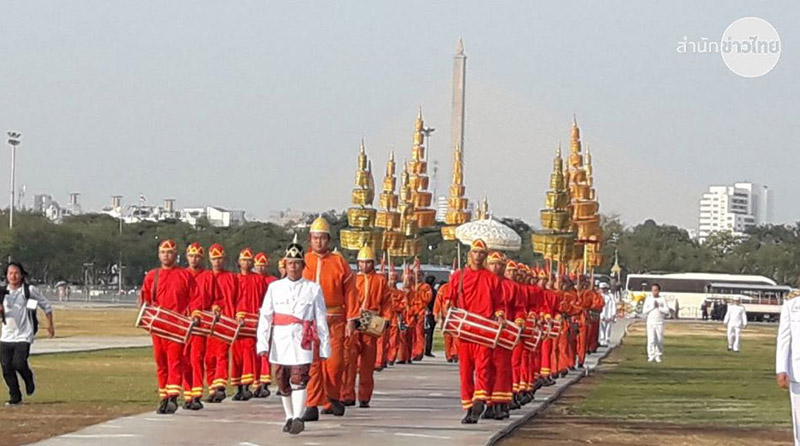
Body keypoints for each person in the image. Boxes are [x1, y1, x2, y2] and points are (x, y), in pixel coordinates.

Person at [256, 238, 330, 435]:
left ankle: (298, 417)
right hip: (280, 341)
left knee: (300, 378)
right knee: (282, 380)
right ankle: (289, 416)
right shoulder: (274, 288)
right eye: (290, 263)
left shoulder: (313, 289)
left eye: (297, 263)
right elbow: (266, 316)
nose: (294, 267)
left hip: (302, 340)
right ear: (285, 265)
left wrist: (324, 347)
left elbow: (321, 319)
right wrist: (262, 343)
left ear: (303, 266)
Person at [302, 216, 358, 421]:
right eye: (316, 238)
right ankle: (311, 405)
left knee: (334, 364)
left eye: (323, 238)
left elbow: (351, 292)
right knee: (313, 364)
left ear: (328, 239)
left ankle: (333, 396)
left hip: (334, 319)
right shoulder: (303, 261)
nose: (319, 242)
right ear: (310, 239)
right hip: (309, 321)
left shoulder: (339, 262)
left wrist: (352, 319)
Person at [441, 239, 502, 424]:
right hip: (465, 330)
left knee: (483, 366)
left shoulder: (492, 278)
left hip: (483, 330)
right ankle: (468, 408)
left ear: (485, 256)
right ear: (470, 254)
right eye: (475, 252)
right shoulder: (459, 276)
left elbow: (499, 303)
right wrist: (447, 309)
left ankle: (480, 399)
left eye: (481, 253)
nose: (478, 256)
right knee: (465, 370)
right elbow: (448, 298)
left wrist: (499, 315)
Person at [140, 240, 201, 414]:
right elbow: (145, 298)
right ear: (159, 255)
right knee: (160, 362)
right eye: (163, 252)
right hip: (158, 326)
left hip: (177, 326)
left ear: (175, 255)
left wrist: (195, 315)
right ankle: (163, 396)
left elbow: (195, 297)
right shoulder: (152, 275)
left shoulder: (185, 275)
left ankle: (173, 396)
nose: (166, 255)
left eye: (169, 252)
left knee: (175, 360)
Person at [341, 245, 391, 408]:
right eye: (362, 263)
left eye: (368, 262)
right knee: (350, 361)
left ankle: (364, 396)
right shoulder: (353, 279)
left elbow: (387, 302)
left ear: (373, 263)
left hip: (372, 320)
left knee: (367, 363)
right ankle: (347, 394)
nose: (365, 266)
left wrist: (387, 318)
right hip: (355, 319)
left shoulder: (381, 280)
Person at [1, 262, 55, 406]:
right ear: (6, 276)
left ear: (22, 275)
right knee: (6, 367)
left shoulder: (29, 290)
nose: (13, 276)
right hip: (6, 335)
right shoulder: (2, 292)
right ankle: (15, 396)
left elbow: (46, 306)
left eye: (16, 273)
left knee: (18, 363)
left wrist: (50, 325)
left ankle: (28, 378)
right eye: (10, 273)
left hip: (24, 334)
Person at [205, 243, 239, 403]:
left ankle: (220, 385)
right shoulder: (206, 277)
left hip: (226, 322)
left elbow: (239, 298)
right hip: (208, 323)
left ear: (224, 259)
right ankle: (212, 388)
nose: (217, 262)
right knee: (208, 357)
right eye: (214, 259)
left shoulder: (232, 278)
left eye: (219, 259)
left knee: (221, 354)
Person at [183, 243, 214, 410]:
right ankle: (187, 394)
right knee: (183, 360)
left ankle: (196, 395)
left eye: (197, 256)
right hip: (182, 323)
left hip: (200, 324)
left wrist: (215, 310)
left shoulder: (208, 276)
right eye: (191, 256)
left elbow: (216, 298)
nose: (193, 259)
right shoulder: (181, 275)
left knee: (196, 359)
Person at [232, 248, 266, 401]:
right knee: (237, 355)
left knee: (249, 353)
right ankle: (239, 386)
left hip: (252, 322)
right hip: (237, 323)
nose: (246, 263)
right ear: (239, 262)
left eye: (248, 260)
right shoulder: (235, 279)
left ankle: (247, 385)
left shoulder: (258, 280)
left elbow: (265, 300)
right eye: (243, 260)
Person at [254, 252, 278, 398]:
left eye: (263, 265)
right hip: (253, 319)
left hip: (269, 319)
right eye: (258, 265)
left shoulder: (272, 281)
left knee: (267, 351)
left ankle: (265, 381)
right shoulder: (251, 280)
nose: (261, 268)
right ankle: (255, 381)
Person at [642, 283, 670, 363]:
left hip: (660, 322)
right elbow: (644, 311)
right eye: (653, 290)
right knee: (651, 340)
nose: (654, 292)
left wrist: (659, 307)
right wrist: (652, 307)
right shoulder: (648, 299)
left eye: (656, 290)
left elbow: (667, 311)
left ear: (658, 291)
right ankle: (651, 355)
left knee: (659, 340)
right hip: (650, 322)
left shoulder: (662, 299)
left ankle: (658, 355)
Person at [423, 275, 438, 358]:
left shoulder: (423, 289)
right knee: (429, 333)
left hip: (426, 312)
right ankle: (427, 350)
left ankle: (424, 349)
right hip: (429, 313)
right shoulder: (432, 291)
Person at [598, 283, 616, 347]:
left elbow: (613, 305)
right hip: (601, 313)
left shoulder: (610, 296)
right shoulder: (599, 295)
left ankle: (607, 338)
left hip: (609, 313)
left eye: (604, 289)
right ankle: (602, 339)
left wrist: (613, 314)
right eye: (601, 289)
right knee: (601, 327)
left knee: (608, 327)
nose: (603, 290)